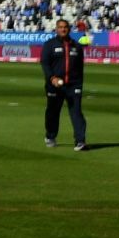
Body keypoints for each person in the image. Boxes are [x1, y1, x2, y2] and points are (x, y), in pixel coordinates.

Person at [42, 18, 88, 151]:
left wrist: (79, 85)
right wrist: (52, 78)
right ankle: (50, 136)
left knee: (76, 112)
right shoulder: (49, 45)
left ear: (69, 29)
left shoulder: (76, 46)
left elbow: (80, 67)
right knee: (53, 112)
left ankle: (80, 141)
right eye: (60, 27)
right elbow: (45, 63)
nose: (63, 29)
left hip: (73, 85)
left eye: (65, 27)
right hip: (54, 85)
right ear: (56, 29)